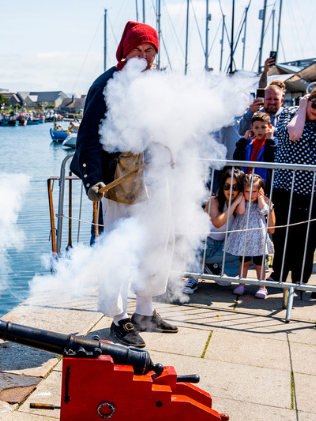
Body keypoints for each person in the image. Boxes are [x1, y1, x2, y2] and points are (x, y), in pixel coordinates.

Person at [72, 21, 176, 348]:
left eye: (150, 51)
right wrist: (93, 178)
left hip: (155, 176)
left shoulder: (156, 83)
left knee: (158, 242)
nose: (144, 57)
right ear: (125, 51)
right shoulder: (106, 84)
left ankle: (144, 310)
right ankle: (118, 319)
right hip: (120, 177)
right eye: (138, 50)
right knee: (120, 248)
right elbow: (88, 135)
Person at [270, 86, 316, 287]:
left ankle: (301, 278)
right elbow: (293, 134)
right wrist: (302, 109)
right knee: (283, 233)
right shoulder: (289, 112)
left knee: (307, 237)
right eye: (315, 104)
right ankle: (278, 274)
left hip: (315, 190)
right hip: (286, 186)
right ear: (307, 100)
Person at [184, 168, 245, 293]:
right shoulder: (213, 201)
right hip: (203, 244)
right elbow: (217, 222)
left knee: (252, 255)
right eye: (227, 186)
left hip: (221, 246)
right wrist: (234, 204)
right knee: (194, 249)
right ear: (222, 186)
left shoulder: (241, 205)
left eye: (235, 187)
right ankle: (193, 276)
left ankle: (211, 267)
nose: (230, 190)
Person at [225, 173, 275, 298]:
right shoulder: (243, 202)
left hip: (258, 237)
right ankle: (242, 284)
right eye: (247, 191)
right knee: (244, 262)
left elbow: (264, 210)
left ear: (260, 191)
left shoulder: (260, 202)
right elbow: (241, 211)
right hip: (244, 237)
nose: (250, 195)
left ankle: (262, 287)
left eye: (254, 191)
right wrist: (242, 197)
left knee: (259, 263)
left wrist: (260, 198)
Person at [233, 112, 276, 186]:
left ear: (270, 128)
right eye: (256, 127)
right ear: (252, 128)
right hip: (246, 181)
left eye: (263, 127)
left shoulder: (273, 142)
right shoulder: (249, 142)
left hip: (263, 182)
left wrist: (270, 142)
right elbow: (237, 158)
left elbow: (271, 159)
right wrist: (243, 140)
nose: (259, 130)